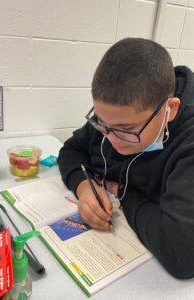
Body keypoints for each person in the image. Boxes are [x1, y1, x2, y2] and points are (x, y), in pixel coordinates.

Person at [57, 37, 194, 279]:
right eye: (101, 123)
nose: (111, 138)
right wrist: (84, 187)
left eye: (126, 129)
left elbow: (181, 254)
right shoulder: (114, 119)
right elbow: (71, 150)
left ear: (169, 109)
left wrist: (120, 191)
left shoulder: (188, 140)